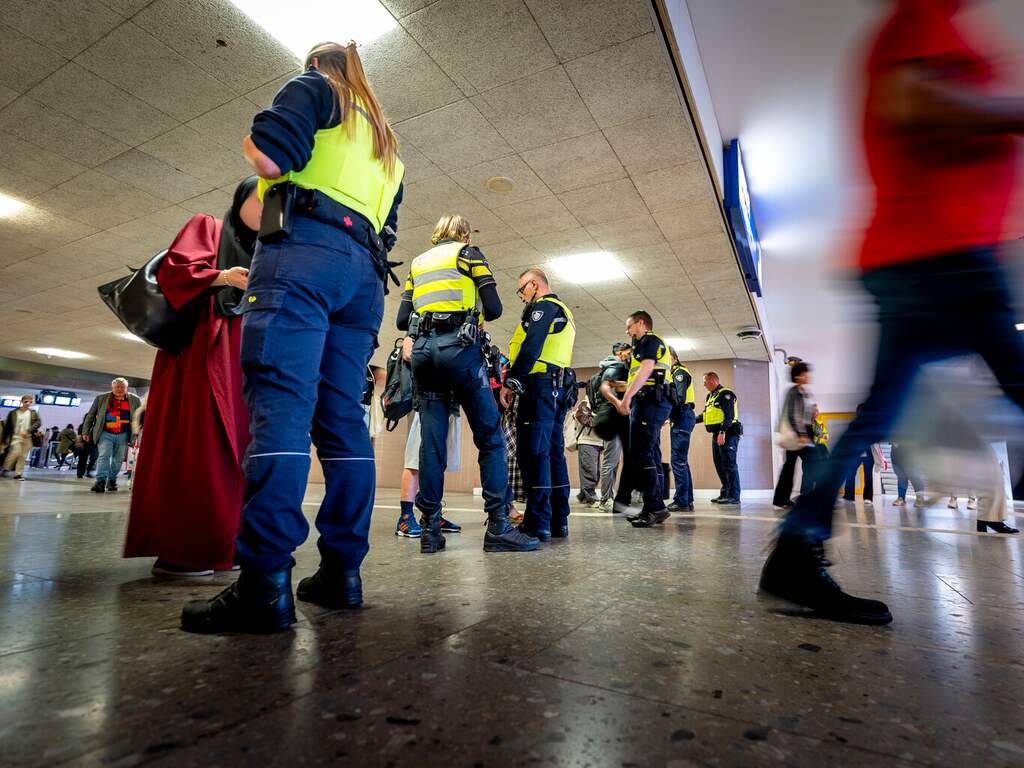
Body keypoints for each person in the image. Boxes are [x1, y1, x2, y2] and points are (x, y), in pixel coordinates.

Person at [760, 0, 1024, 625]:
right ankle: (796, 549)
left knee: (880, 408)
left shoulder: (933, 22)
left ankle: (795, 550)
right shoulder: (921, 16)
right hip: (940, 251)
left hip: (926, 251)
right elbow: (911, 101)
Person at [182, 41, 405, 634]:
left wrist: (251, 174)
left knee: (280, 410)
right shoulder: (387, 146)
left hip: (304, 257)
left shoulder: (315, 87)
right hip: (364, 278)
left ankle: (263, 586)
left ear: (316, 63)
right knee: (340, 421)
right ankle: (341, 575)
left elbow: (271, 159)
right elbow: (387, 224)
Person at [125, 178, 260, 577]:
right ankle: (187, 548)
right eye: (263, 198)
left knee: (242, 446)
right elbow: (176, 272)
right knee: (201, 440)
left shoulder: (271, 249)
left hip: (244, 352)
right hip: (205, 346)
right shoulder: (209, 227)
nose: (271, 207)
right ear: (242, 200)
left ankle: (228, 541)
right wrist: (222, 277)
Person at [402, 214, 536, 554]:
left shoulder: (417, 263)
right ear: (464, 233)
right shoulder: (469, 253)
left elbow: (404, 319)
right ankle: (499, 526)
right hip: (459, 351)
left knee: (431, 444)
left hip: (422, 353)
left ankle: (431, 530)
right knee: (490, 438)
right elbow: (493, 308)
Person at [500, 267, 577, 540]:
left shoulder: (544, 308)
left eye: (522, 290)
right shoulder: (563, 310)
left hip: (539, 386)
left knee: (534, 454)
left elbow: (532, 345)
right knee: (553, 453)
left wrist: (512, 380)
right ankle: (558, 521)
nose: (522, 297)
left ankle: (538, 523)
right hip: (556, 387)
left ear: (534, 285)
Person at [613, 311, 674, 528]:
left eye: (630, 326)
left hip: (650, 401)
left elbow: (647, 369)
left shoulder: (650, 340)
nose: (628, 331)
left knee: (642, 454)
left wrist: (626, 398)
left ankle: (655, 507)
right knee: (643, 455)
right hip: (648, 402)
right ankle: (652, 507)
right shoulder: (643, 345)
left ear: (641, 323)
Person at [772, 362, 819, 509]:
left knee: (793, 466)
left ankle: (784, 498)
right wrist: (802, 435)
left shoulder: (803, 392)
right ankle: (794, 497)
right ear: (798, 376)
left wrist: (812, 414)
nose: (808, 376)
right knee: (804, 464)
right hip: (798, 435)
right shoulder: (794, 392)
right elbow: (792, 416)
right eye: (805, 373)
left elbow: (804, 416)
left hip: (803, 433)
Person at [82, 378, 142, 493]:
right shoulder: (101, 398)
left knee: (118, 459)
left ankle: (112, 480)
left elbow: (138, 418)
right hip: (105, 433)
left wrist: (137, 435)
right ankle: (100, 481)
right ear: (112, 387)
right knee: (104, 456)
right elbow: (91, 415)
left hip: (124, 434)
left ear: (126, 388)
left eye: (122, 387)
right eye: (117, 387)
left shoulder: (135, 400)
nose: (120, 389)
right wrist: (85, 431)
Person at [595, 343, 631, 510]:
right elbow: (608, 390)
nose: (631, 356)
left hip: (615, 418)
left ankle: (611, 497)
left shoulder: (610, 368)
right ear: (620, 353)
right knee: (610, 461)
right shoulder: (615, 367)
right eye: (629, 352)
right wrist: (619, 404)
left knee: (614, 461)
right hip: (614, 418)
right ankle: (605, 499)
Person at [696, 372, 741, 505]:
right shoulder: (710, 396)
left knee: (729, 464)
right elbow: (705, 415)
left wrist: (722, 432)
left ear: (712, 380)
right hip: (717, 434)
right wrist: (689, 421)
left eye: (705, 381)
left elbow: (729, 415)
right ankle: (725, 493)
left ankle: (734, 496)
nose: (704, 384)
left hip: (728, 433)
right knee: (719, 464)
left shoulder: (726, 394)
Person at [667, 347, 696, 512]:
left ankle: (681, 501)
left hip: (682, 416)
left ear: (672, 357)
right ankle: (687, 499)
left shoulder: (679, 372)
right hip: (682, 417)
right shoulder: (677, 372)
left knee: (678, 461)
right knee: (682, 461)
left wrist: (664, 413)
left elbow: (679, 397)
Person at [571, 381, 603, 507]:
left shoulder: (599, 404)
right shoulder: (585, 403)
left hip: (596, 442)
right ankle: (590, 497)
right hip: (587, 441)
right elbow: (585, 420)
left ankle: (583, 495)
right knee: (589, 470)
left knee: (594, 470)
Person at [1, 396, 41, 480]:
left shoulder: (33, 413)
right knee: (16, 452)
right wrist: (4, 440)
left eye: (30, 402)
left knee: (23, 456)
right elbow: (8, 427)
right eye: (26, 401)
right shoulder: (13, 413)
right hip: (16, 437)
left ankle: (18, 474)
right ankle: (6, 467)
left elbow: (38, 422)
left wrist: (28, 431)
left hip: (28, 437)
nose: (28, 403)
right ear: (22, 401)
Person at [890, 441, 927, 507]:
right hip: (896, 456)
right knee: (901, 478)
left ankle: (920, 499)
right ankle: (901, 498)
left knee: (915, 477)